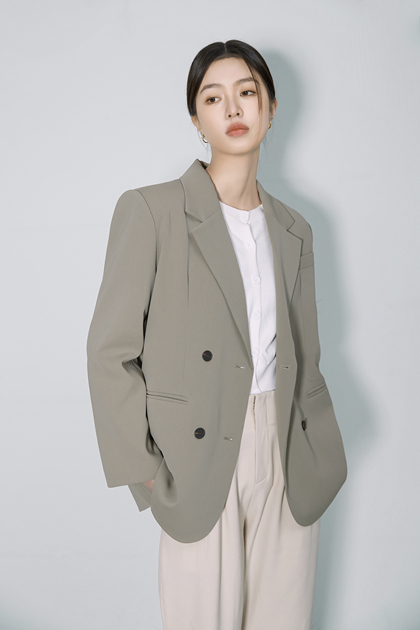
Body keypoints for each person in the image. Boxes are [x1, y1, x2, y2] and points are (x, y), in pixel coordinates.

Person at [86, 39, 347, 630]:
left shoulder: (295, 228)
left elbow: (305, 352)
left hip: (287, 446)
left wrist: (318, 449)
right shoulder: (152, 210)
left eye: (247, 92)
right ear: (196, 119)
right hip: (197, 450)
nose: (232, 108)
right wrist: (146, 471)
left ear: (271, 108)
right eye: (213, 97)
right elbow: (109, 352)